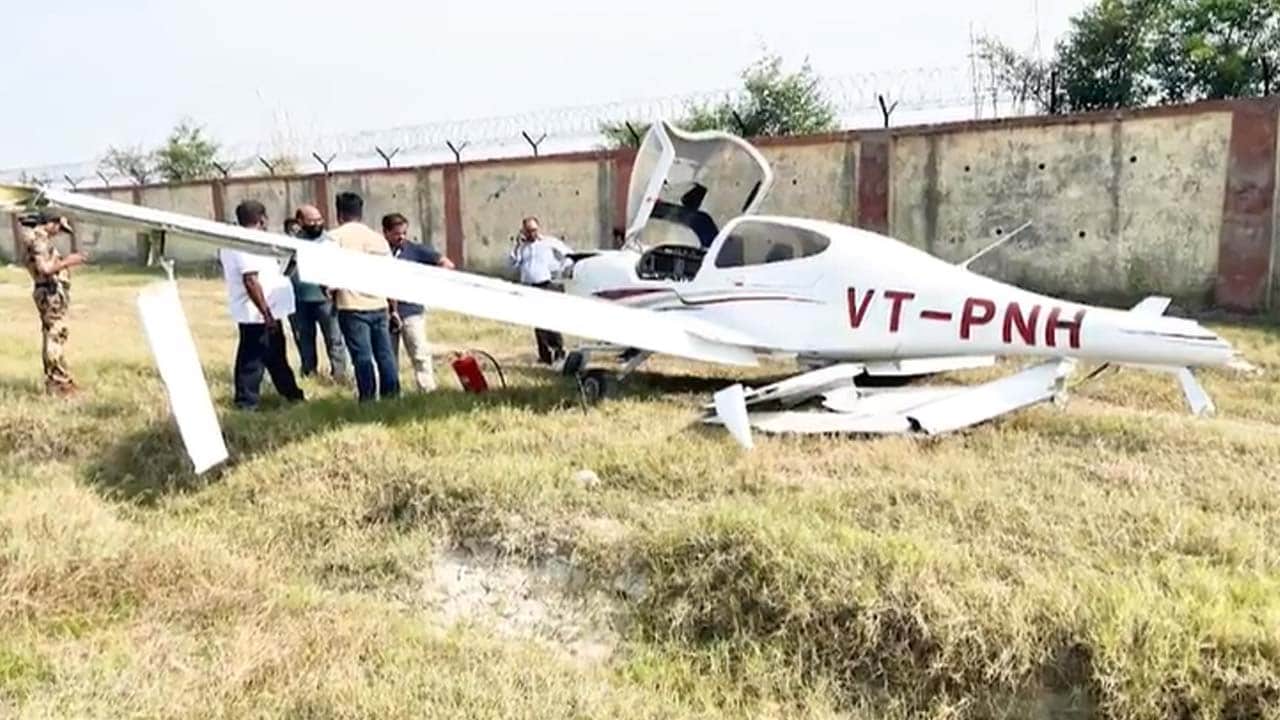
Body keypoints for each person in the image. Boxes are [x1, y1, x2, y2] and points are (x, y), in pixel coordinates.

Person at [220, 200, 305, 410]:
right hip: (256, 313)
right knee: (252, 360)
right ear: (262, 219)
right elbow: (250, 280)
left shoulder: (253, 241)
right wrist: (266, 313)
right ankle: (246, 403)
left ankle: (292, 395)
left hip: (267, 311)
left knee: (276, 356)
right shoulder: (244, 244)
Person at [326, 191, 400, 402]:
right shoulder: (377, 239)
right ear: (361, 212)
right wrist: (392, 309)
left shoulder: (334, 238)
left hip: (351, 306)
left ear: (339, 214)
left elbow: (328, 275)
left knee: (362, 357)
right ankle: (392, 397)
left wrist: (329, 291)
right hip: (379, 304)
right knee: (385, 355)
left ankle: (368, 400)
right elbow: (390, 277)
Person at [383, 212, 454, 392]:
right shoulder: (379, 251)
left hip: (411, 313)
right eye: (397, 233)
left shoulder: (414, 250)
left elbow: (446, 264)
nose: (402, 237)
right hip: (384, 312)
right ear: (385, 232)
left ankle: (427, 389)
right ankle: (391, 392)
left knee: (420, 353)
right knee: (388, 356)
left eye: (404, 233)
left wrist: (428, 284)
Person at [20, 211, 87, 396]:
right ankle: (59, 383)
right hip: (50, 292)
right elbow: (45, 268)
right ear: (51, 222)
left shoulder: (33, 238)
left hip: (48, 291)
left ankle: (57, 380)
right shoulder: (39, 240)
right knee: (55, 336)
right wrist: (69, 261)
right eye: (58, 227)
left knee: (52, 335)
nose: (58, 232)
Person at [285, 204, 350, 382]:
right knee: (304, 338)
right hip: (299, 299)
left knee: (334, 339)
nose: (317, 224)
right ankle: (309, 373)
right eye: (311, 221)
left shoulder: (330, 242)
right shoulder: (291, 243)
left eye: (319, 220)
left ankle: (339, 375)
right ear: (300, 222)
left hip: (325, 300)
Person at [508, 216, 572, 364]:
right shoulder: (522, 247)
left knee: (550, 318)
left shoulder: (548, 243)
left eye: (534, 230)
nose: (532, 233)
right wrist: (517, 247)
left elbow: (568, 255)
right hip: (529, 286)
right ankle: (544, 355)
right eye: (529, 231)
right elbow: (512, 264)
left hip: (545, 284)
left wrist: (560, 271)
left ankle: (559, 351)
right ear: (523, 231)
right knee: (537, 322)